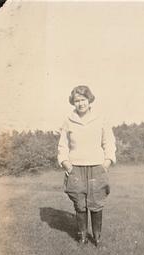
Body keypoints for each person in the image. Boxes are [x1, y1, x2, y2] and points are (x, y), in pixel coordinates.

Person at [57, 85, 116, 246]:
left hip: (97, 167)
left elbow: (109, 142)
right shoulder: (68, 121)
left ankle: (97, 237)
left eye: (83, 99)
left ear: (89, 100)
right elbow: (63, 145)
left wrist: (107, 162)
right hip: (75, 167)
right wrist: (67, 164)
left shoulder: (101, 118)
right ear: (72, 102)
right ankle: (82, 236)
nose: (80, 103)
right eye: (77, 100)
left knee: (96, 203)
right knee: (80, 204)